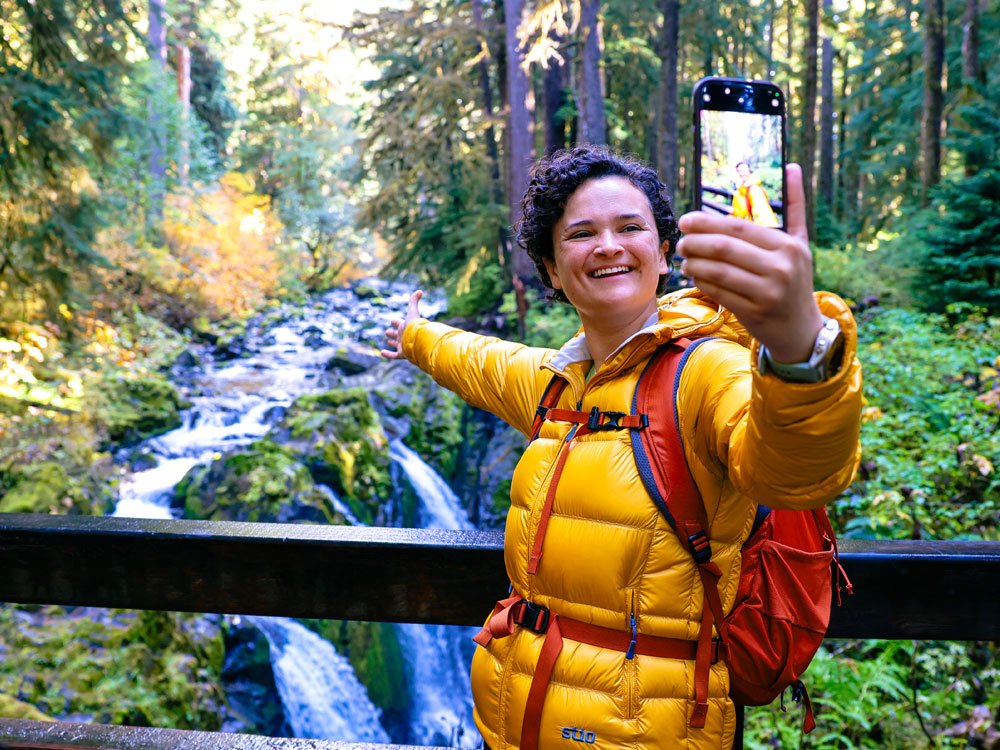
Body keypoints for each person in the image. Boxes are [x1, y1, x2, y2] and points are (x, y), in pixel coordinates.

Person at [381, 145, 861, 750]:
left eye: (630, 227)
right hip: (516, 716)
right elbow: (479, 360)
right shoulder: (558, 382)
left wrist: (798, 351)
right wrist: (415, 336)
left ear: (663, 253)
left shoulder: (708, 372)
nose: (608, 245)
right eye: (581, 233)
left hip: (649, 730)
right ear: (553, 270)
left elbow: (795, 473)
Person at [731, 161, 779, 227]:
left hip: (751, 231)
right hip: (741, 229)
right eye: (739, 171)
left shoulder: (754, 190)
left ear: (749, 171)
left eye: (744, 170)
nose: (742, 173)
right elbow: (737, 213)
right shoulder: (740, 191)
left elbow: (763, 215)